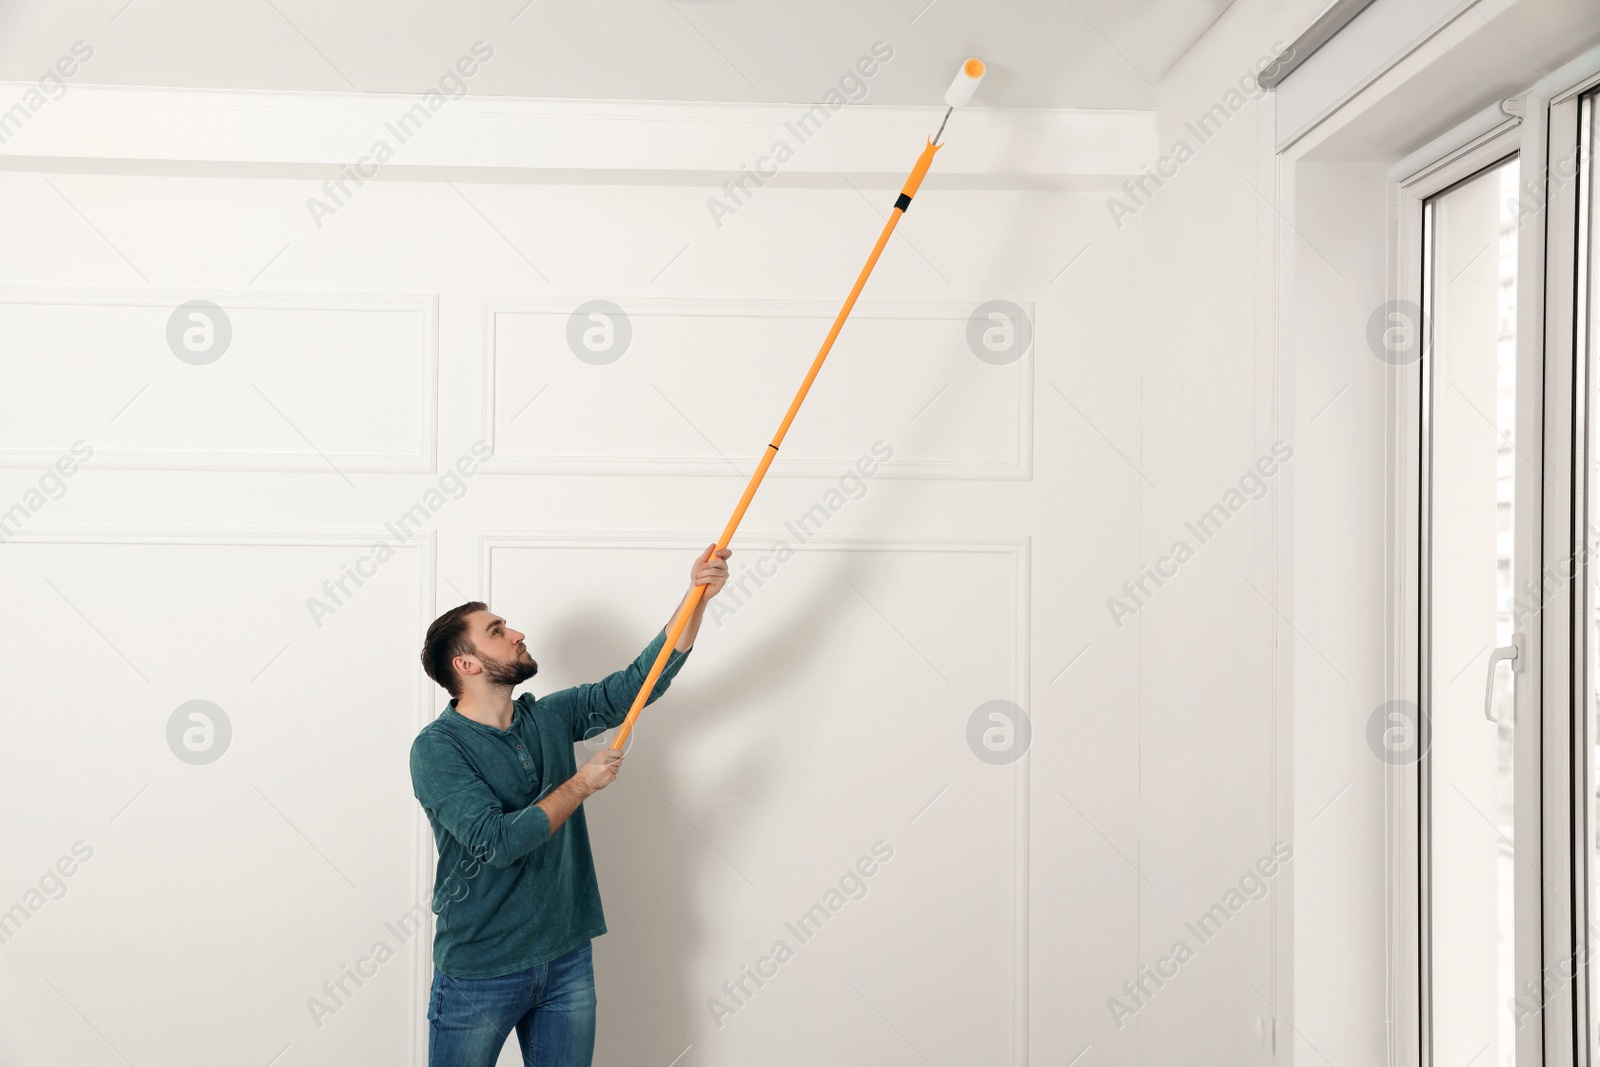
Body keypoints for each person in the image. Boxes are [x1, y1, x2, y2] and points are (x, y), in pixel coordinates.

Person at [410, 544, 731, 1067]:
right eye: (497, 631)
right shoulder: (437, 748)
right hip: (480, 972)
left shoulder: (549, 717)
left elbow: (637, 685)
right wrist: (581, 785)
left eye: (507, 625)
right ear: (465, 664)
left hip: (566, 959)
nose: (516, 634)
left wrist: (695, 597)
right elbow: (497, 842)